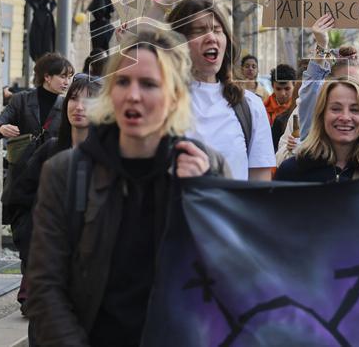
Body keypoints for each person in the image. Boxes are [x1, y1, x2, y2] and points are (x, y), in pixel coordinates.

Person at [25, 29, 229, 345]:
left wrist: (201, 195)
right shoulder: (66, 173)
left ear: (174, 96)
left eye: (148, 84)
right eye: (123, 82)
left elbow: (228, 280)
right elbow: (45, 287)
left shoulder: (209, 168)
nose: (133, 95)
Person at [2, 76, 101, 317]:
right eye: (73, 99)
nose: (78, 107)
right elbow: (18, 198)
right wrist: (31, 244)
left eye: (89, 101)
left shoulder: (110, 159)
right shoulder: (50, 151)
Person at [166, 0, 275, 181]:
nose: (211, 37)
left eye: (217, 30)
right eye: (199, 31)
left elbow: (260, 188)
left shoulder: (250, 106)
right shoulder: (161, 101)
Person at [288, 14, 359, 166]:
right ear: (327, 87)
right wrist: (322, 44)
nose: (345, 117)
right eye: (342, 82)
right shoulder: (315, 116)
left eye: (356, 83)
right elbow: (311, 86)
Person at [275, 77, 359, 182]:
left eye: (355, 109)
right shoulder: (292, 172)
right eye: (336, 109)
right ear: (321, 115)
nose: (345, 117)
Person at [0, 52, 73, 142]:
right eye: (63, 76)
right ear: (47, 77)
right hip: (25, 155)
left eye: (69, 77)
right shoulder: (21, 100)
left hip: (55, 156)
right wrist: (1, 127)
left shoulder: (67, 104)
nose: (67, 82)